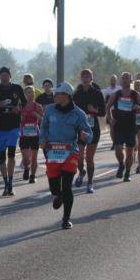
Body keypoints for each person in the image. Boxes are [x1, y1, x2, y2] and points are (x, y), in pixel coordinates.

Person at [40, 82, 91, 229]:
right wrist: (42, 139)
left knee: (67, 186)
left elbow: (89, 134)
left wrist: (85, 136)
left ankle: (66, 218)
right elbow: (43, 127)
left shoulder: (79, 114)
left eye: (58, 94)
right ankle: (58, 194)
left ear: (67, 96)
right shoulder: (49, 110)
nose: (55, 96)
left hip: (70, 152)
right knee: (54, 187)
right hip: (53, 152)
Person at [0, 66, 26, 196]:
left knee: (11, 155)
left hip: (13, 126)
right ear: (0, 77)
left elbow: (24, 103)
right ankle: (6, 182)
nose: (4, 77)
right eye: (2, 75)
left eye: (6, 75)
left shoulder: (17, 88)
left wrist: (18, 108)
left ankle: (11, 184)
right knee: (1, 159)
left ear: (10, 76)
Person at [105, 72, 140, 182]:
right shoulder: (116, 94)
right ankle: (121, 165)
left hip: (131, 127)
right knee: (118, 150)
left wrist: (138, 108)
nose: (125, 80)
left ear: (131, 80)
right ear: (121, 81)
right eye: (123, 78)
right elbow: (108, 107)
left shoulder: (135, 95)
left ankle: (127, 173)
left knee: (129, 152)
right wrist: (111, 119)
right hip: (119, 126)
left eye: (127, 78)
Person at [72, 68, 105, 193]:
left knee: (89, 158)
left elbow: (103, 112)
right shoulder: (76, 94)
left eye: (88, 76)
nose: (85, 78)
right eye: (83, 76)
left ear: (91, 78)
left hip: (93, 129)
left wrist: (94, 110)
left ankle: (90, 183)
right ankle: (81, 173)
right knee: (79, 158)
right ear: (81, 78)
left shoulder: (97, 93)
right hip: (80, 129)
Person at [19, 85, 44, 184]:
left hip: (35, 134)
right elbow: (17, 120)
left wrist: (37, 115)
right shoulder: (21, 106)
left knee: (34, 158)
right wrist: (21, 117)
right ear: (25, 94)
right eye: (29, 92)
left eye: (32, 92)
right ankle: (26, 168)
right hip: (24, 135)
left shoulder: (38, 106)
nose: (31, 94)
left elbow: (43, 120)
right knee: (25, 158)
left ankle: (33, 176)